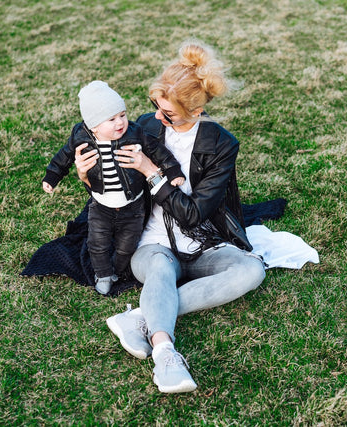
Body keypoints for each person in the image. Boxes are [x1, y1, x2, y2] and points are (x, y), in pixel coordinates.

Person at [75, 42, 266, 393]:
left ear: (196, 110)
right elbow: (112, 191)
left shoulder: (222, 144)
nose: (158, 118)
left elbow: (194, 215)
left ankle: (139, 316)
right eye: (156, 107)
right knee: (160, 270)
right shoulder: (144, 128)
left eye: (169, 114)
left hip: (203, 240)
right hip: (151, 242)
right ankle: (164, 353)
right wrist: (86, 175)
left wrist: (152, 173)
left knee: (251, 271)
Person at [42, 80, 185, 295]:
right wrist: (52, 176)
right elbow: (64, 156)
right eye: (111, 119)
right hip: (101, 205)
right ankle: (103, 274)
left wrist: (172, 171)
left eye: (122, 115)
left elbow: (158, 151)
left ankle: (117, 270)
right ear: (94, 126)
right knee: (97, 243)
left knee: (128, 245)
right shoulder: (81, 136)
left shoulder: (135, 133)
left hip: (133, 205)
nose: (120, 122)